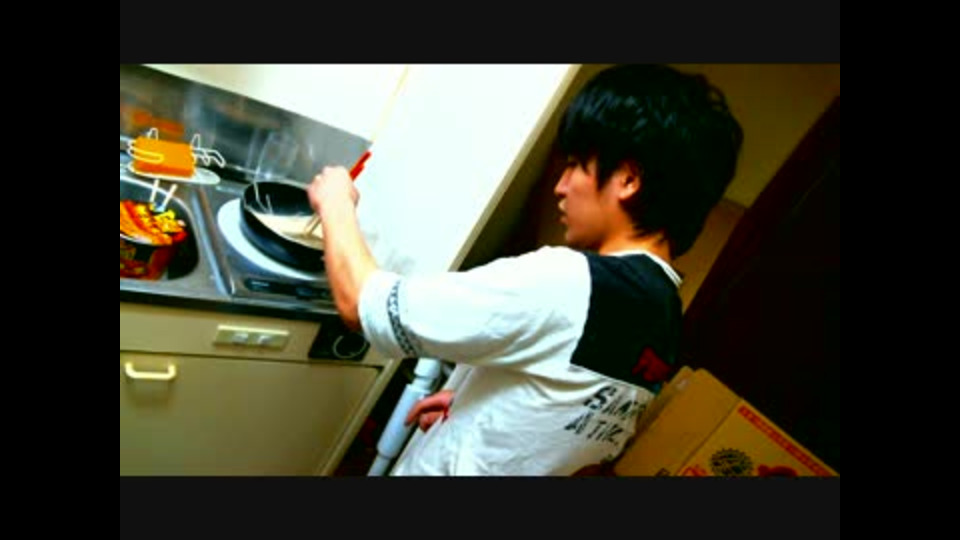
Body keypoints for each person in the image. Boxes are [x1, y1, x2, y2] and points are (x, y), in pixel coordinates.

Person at [307, 64, 743, 476]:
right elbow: (571, 413)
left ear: (628, 179)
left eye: (575, 164)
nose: (560, 186)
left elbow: (365, 306)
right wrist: (474, 402)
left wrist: (336, 202)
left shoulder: (569, 282)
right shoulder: (664, 315)